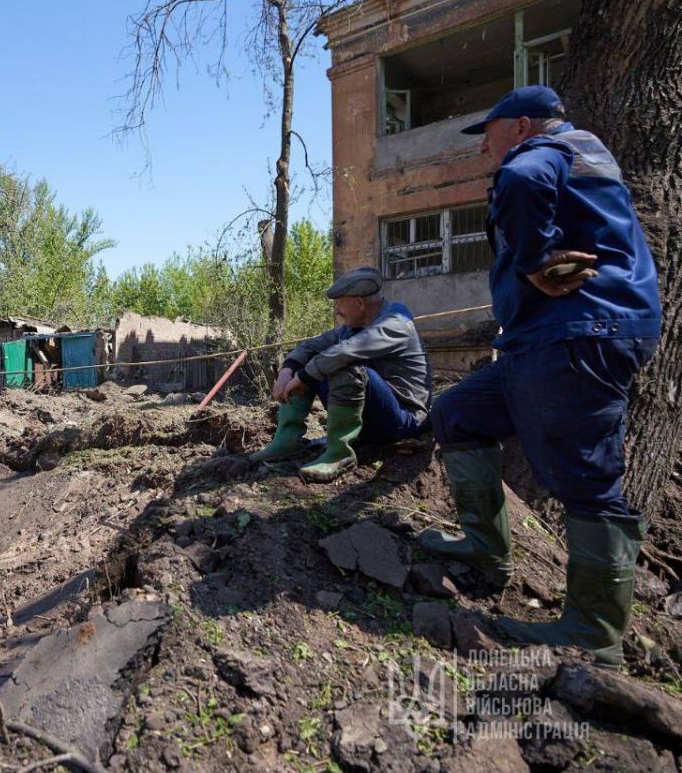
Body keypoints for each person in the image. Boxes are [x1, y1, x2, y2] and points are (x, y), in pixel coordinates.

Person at [417, 86, 661, 666]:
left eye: (491, 136)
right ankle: (485, 550)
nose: (485, 152)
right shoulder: (580, 153)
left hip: (577, 334)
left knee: (586, 476)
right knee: (458, 414)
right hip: (544, 339)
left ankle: (593, 635)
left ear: (522, 126)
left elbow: (523, 184)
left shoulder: (544, 154)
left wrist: (532, 262)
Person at [252, 266, 432, 483]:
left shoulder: (396, 322)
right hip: (369, 420)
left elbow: (346, 352)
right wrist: (288, 370)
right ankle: (287, 441)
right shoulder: (353, 326)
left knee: (342, 364)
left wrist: (303, 377)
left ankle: (340, 454)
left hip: (402, 420)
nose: (337, 311)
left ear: (359, 303)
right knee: (315, 359)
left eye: (339, 304)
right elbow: (311, 346)